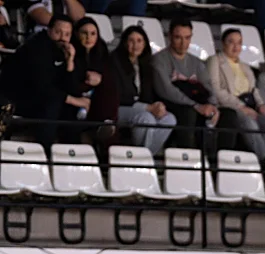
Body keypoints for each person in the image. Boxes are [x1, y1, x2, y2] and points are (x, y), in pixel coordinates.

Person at [0, 15, 90, 150]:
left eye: (67, 34)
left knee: (70, 109)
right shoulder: (36, 48)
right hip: (15, 99)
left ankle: (71, 153)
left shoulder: (65, 50)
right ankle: (44, 151)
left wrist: (70, 63)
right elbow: (41, 86)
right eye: (58, 32)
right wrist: (73, 100)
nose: (62, 37)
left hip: (40, 99)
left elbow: (71, 88)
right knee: (53, 102)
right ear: (49, 30)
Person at [95, 25, 177, 155]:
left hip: (142, 109)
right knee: (146, 119)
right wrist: (146, 108)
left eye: (139, 41)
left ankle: (144, 156)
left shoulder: (146, 65)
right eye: (131, 40)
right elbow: (117, 96)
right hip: (117, 109)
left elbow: (150, 95)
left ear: (145, 44)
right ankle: (142, 158)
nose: (135, 44)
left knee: (169, 119)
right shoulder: (114, 62)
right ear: (124, 43)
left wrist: (158, 105)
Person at [206, 29, 265, 162]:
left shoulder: (245, 66)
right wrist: (241, 107)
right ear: (223, 44)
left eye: (239, 43)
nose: (236, 46)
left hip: (250, 105)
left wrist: (260, 104)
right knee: (249, 122)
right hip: (231, 105)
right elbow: (216, 89)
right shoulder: (215, 61)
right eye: (231, 42)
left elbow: (253, 89)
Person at [152, 18, 219, 149]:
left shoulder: (197, 62)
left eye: (187, 38)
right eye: (178, 38)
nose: (183, 43)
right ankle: (187, 160)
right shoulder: (159, 60)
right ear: (169, 36)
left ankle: (219, 163)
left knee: (228, 114)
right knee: (189, 113)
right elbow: (166, 90)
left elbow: (208, 86)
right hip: (170, 103)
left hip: (196, 103)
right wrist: (195, 106)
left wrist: (212, 106)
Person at [72, 16, 106, 114]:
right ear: (76, 33)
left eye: (93, 34)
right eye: (84, 33)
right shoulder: (70, 52)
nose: (88, 38)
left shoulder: (102, 51)